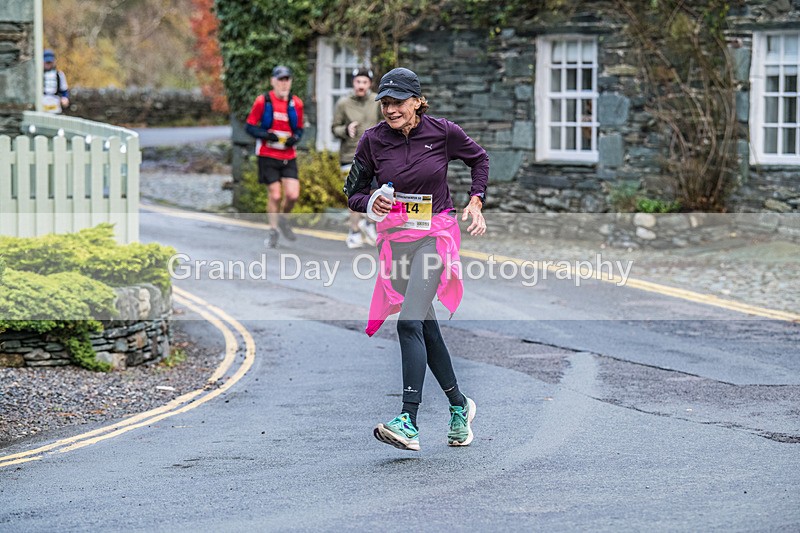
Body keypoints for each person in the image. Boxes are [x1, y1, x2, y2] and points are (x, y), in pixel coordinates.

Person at [344, 67, 488, 451]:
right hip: (396, 243)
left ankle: (408, 419)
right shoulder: (373, 141)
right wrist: (372, 200)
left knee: (409, 323)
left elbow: (479, 159)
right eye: (385, 103)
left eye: (398, 102)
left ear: (417, 102)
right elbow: (353, 192)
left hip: (435, 238)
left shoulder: (442, 132)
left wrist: (476, 200)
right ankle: (460, 406)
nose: (390, 110)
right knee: (425, 327)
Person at [245, 65, 304, 248]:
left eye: (287, 80)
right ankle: (273, 230)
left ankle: (283, 220)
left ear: (290, 82)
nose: (284, 84)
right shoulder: (263, 102)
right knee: (276, 195)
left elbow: (300, 129)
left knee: (293, 195)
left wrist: (294, 139)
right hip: (268, 155)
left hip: (288, 155)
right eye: (280, 80)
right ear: (273, 81)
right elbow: (250, 126)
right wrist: (266, 135)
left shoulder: (296, 104)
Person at [332, 67, 382, 249]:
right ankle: (354, 232)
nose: (361, 86)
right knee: (355, 195)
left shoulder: (377, 102)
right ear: (353, 83)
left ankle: (369, 222)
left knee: (374, 193)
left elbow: (385, 124)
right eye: (358, 82)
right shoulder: (343, 103)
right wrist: (345, 130)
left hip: (373, 156)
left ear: (369, 84)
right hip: (349, 155)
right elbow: (334, 128)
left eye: (364, 82)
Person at [42, 49, 69, 114]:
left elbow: (64, 90)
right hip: (42, 103)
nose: (48, 64)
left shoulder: (59, 74)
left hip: (55, 104)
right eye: (46, 62)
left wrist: (65, 98)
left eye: (50, 62)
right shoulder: (38, 75)